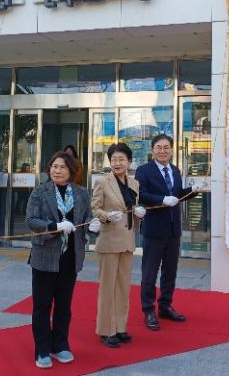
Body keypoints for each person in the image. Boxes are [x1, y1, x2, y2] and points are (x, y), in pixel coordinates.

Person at [26, 151, 100, 369]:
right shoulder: (40, 191)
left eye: (62, 167)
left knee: (64, 306)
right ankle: (42, 349)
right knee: (42, 306)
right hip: (45, 257)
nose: (57, 171)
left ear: (71, 171)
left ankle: (60, 344)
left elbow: (87, 219)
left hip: (70, 257)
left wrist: (93, 225)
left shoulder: (81, 193)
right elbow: (31, 220)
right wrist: (54, 226)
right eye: (54, 166)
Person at [136, 134, 199, 331]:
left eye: (166, 148)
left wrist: (192, 190)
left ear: (172, 150)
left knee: (170, 271)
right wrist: (162, 199)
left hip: (173, 230)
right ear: (152, 150)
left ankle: (165, 305)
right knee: (149, 272)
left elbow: (177, 195)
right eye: (159, 147)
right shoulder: (144, 170)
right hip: (154, 229)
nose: (162, 151)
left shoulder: (175, 170)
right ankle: (148, 309)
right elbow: (141, 195)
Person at [92, 143, 146, 348]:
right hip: (108, 241)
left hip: (127, 241)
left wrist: (139, 213)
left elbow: (132, 208)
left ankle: (120, 327)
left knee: (123, 287)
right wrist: (106, 216)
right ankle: (106, 330)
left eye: (121, 159)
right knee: (108, 288)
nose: (117, 163)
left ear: (129, 162)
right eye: (114, 159)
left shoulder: (134, 183)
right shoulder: (102, 182)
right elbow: (95, 209)